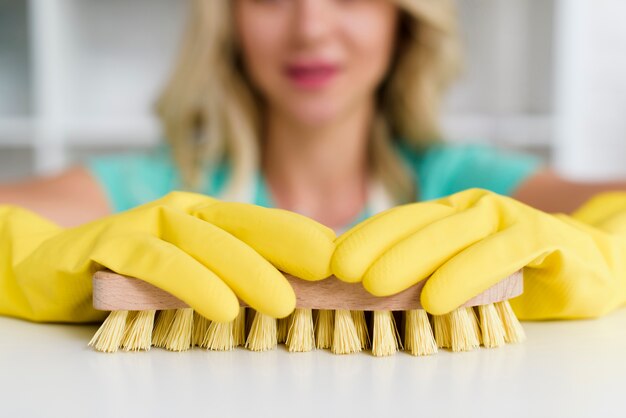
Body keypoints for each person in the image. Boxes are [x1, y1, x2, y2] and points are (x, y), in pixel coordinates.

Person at [1, 0, 626, 324]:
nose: (311, 29)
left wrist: (601, 256)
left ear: (401, 20)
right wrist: (37, 270)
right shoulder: (156, 196)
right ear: (229, 22)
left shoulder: (460, 185)